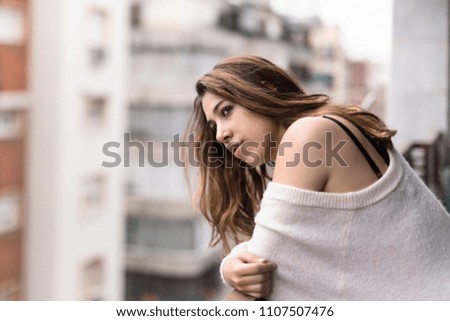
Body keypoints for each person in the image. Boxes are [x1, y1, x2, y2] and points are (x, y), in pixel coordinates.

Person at [185, 55, 450, 300]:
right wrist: (234, 262)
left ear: (264, 90)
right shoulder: (328, 125)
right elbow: (276, 254)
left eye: (226, 111)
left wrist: (233, 264)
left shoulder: (309, 136)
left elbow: (268, 266)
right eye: (214, 125)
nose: (220, 134)